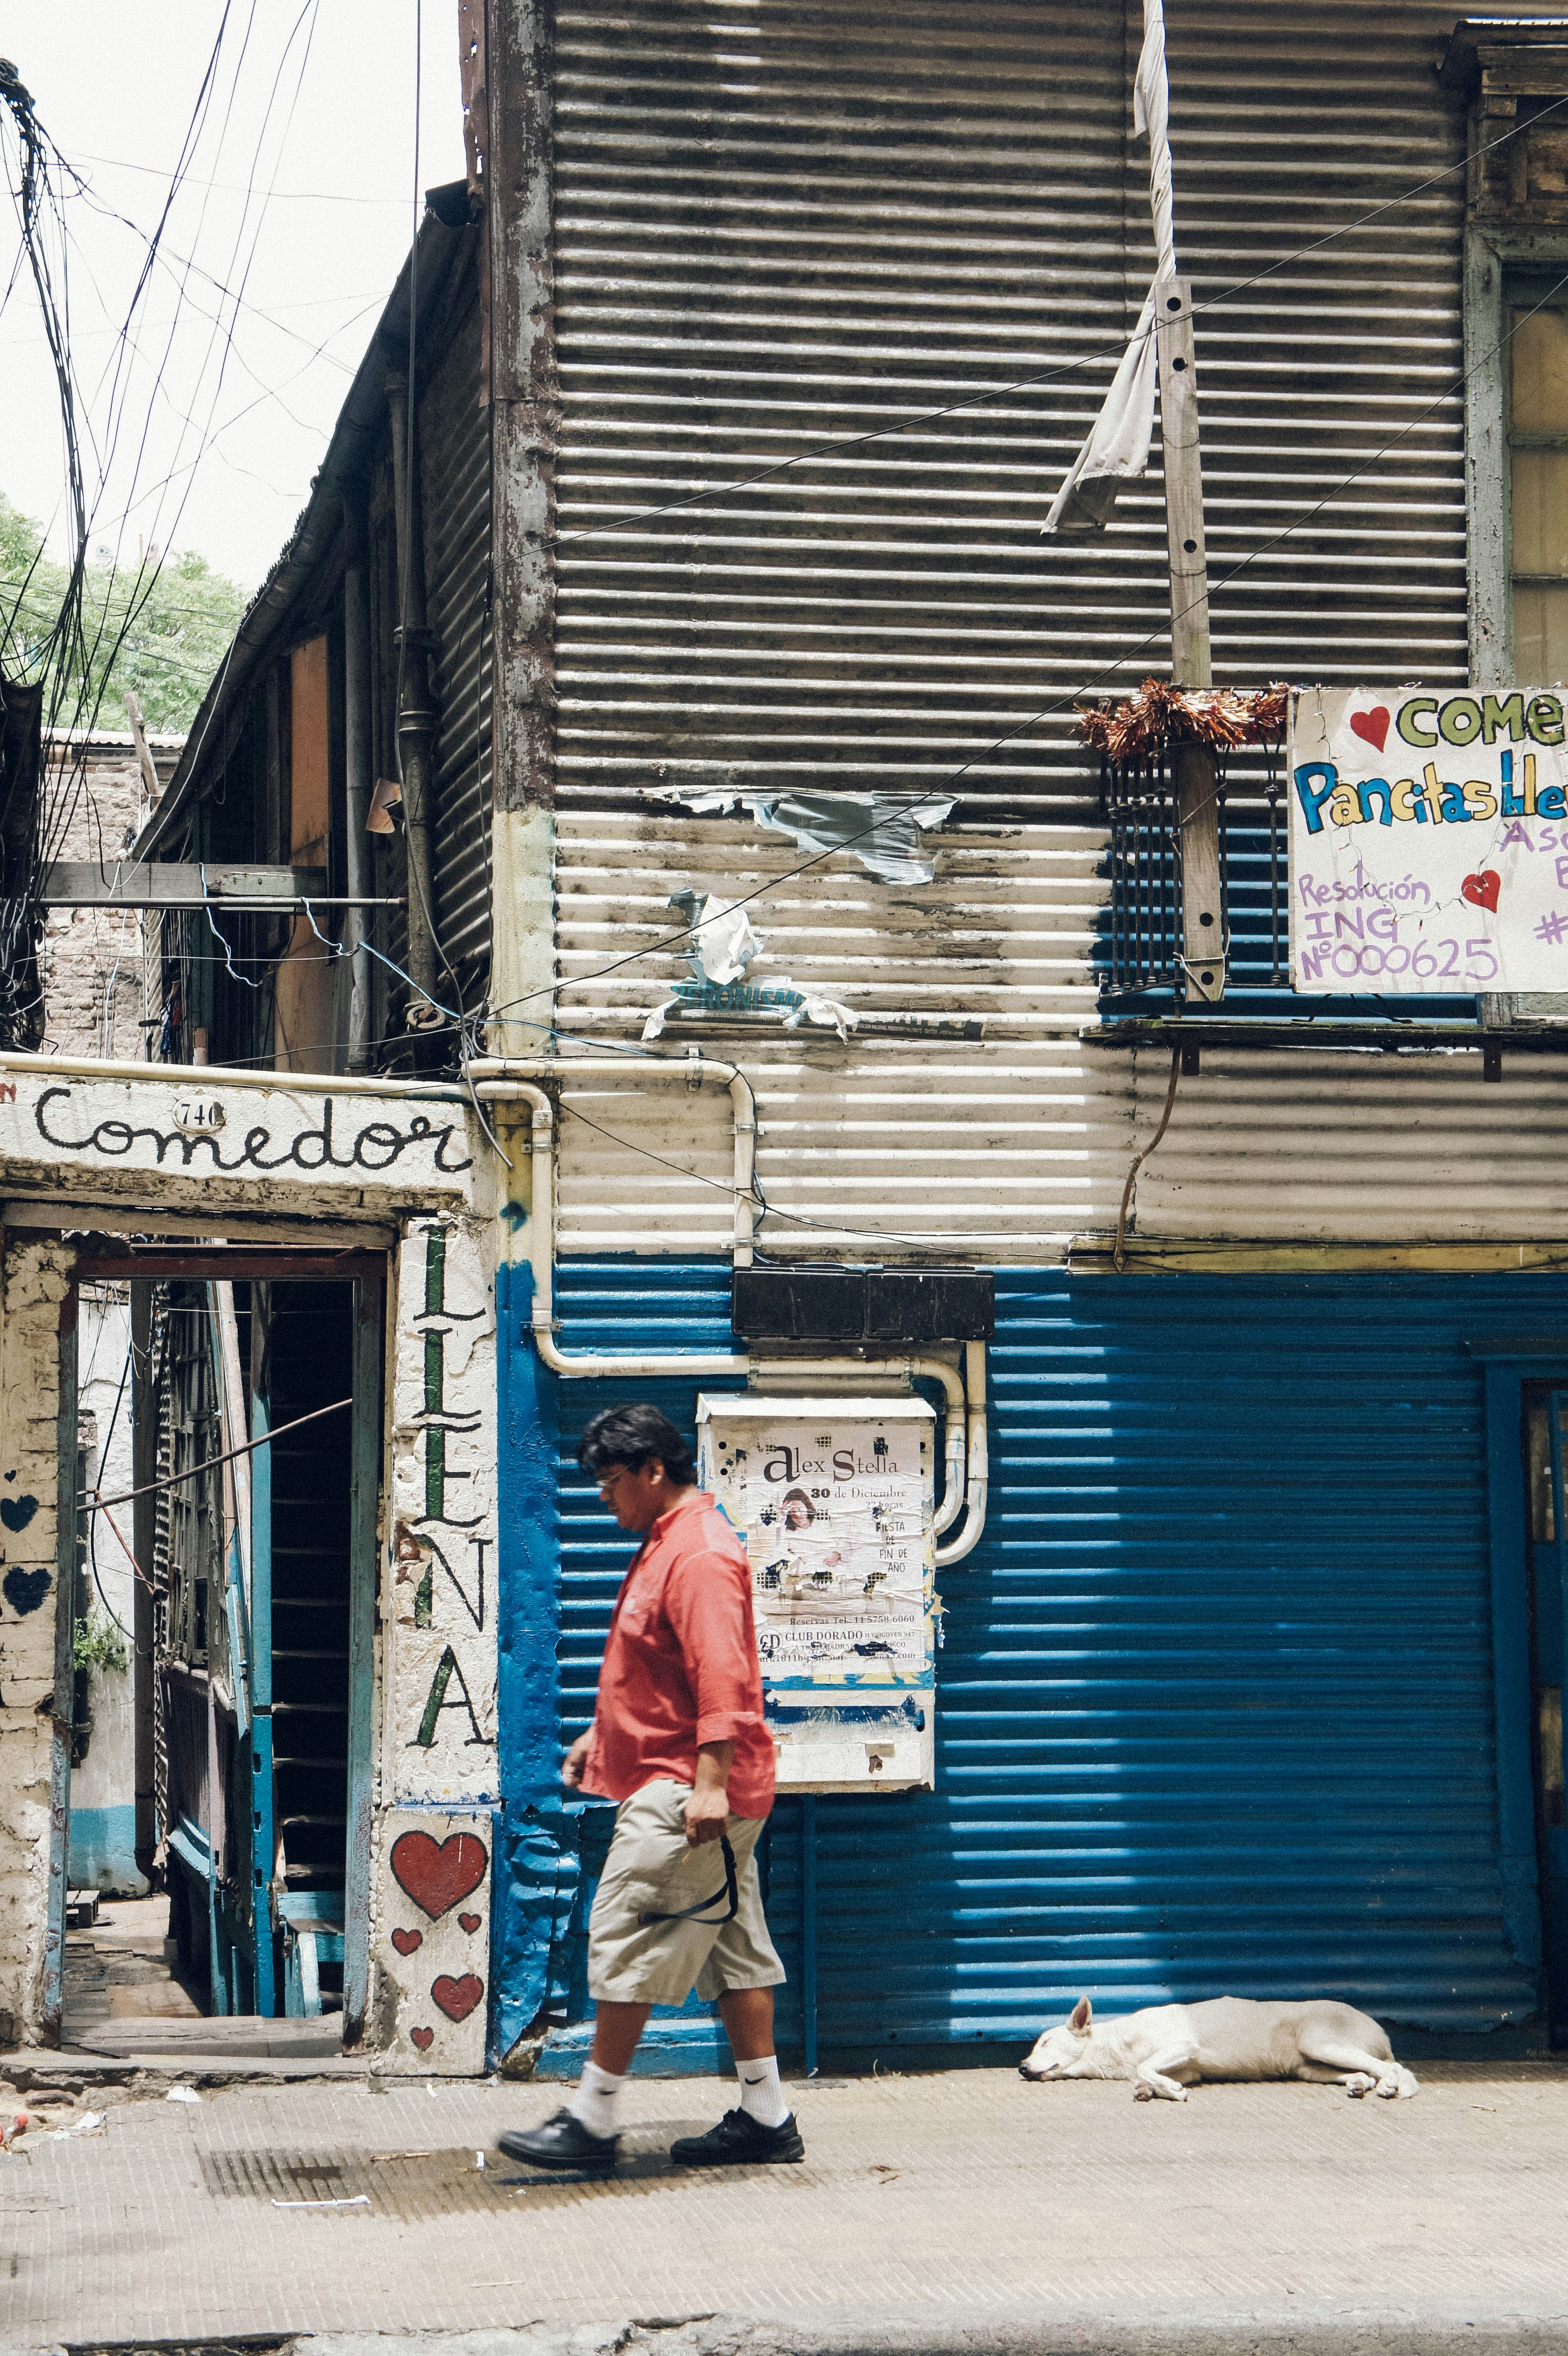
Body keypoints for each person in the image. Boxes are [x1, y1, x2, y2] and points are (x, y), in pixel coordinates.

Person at [499, 1402, 802, 2172]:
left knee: (627, 1927)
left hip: (688, 1792)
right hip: (683, 1777)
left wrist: (707, 1784)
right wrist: (604, 1736)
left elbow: (724, 1677)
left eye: (610, 1482)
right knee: (734, 1948)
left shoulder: (698, 1552)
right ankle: (768, 2117)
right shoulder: (667, 1541)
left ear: (653, 1471)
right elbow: (658, 1667)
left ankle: (594, 2120)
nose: (603, 1498)